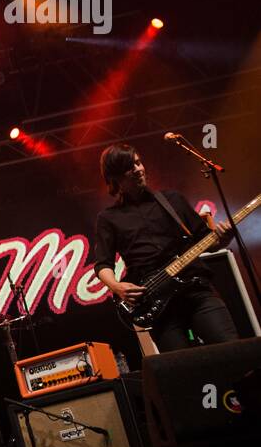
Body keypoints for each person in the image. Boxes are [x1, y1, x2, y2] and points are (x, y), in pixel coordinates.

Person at [92, 144, 238, 352]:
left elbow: (207, 241)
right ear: (115, 177)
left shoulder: (172, 200)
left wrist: (224, 239)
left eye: (138, 162)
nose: (138, 169)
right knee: (182, 372)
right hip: (157, 305)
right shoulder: (108, 218)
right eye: (129, 167)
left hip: (195, 290)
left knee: (232, 351)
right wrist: (116, 286)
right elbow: (102, 264)